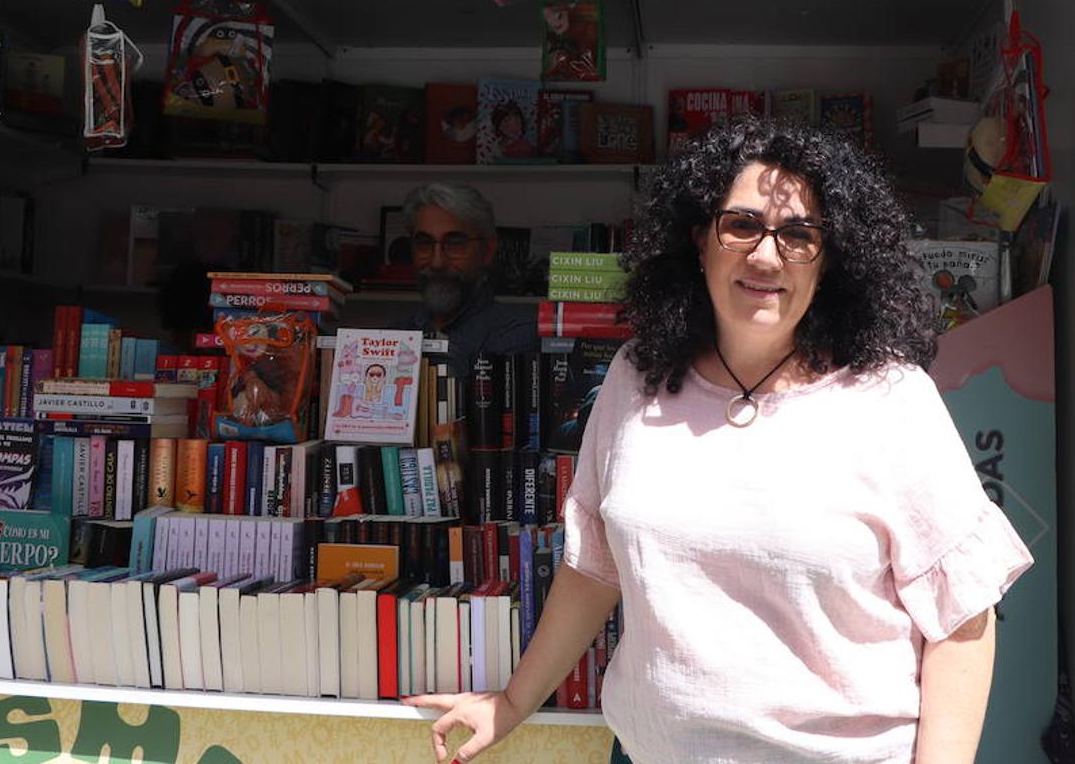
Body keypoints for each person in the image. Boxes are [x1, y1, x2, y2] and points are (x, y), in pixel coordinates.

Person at [403, 118, 1034, 764]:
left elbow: (962, 622)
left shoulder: (890, 399)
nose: (766, 255)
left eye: (798, 235)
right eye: (741, 226)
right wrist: (510, 703)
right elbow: (593, 570)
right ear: (698, 240)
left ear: (832, 258)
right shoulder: (635, 380)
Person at [397, 183, 536, 379]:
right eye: (424, 243)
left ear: (487, 251)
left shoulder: (518, 336)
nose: (437, 262)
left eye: (454, 243)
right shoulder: (393, 337)